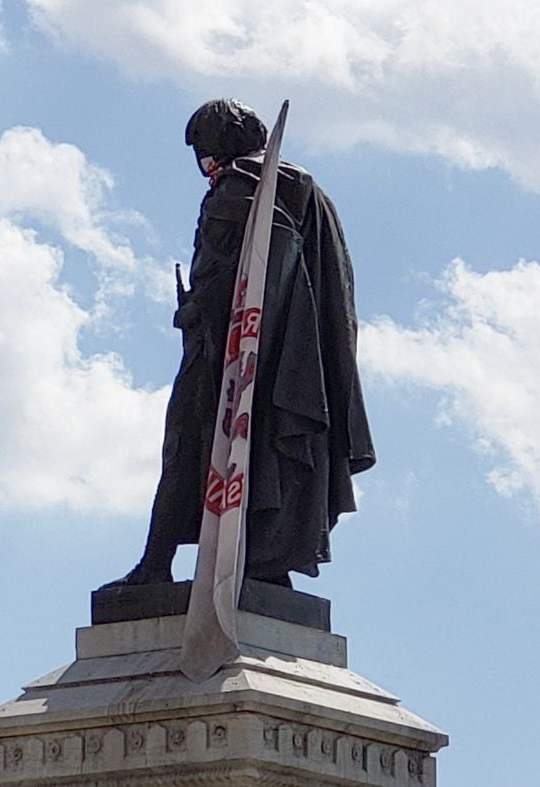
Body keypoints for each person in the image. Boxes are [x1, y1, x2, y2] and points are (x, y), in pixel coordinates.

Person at [109, 98, 375, 588]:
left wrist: (189, 311)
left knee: (186, 445)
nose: (205, 167)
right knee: (264, 451)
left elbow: (223, 279)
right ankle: (264, 563)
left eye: (205, 153)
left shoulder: (236, 187)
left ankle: (155, 566)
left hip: (223, 354)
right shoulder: (307, 191)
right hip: (294, 364)